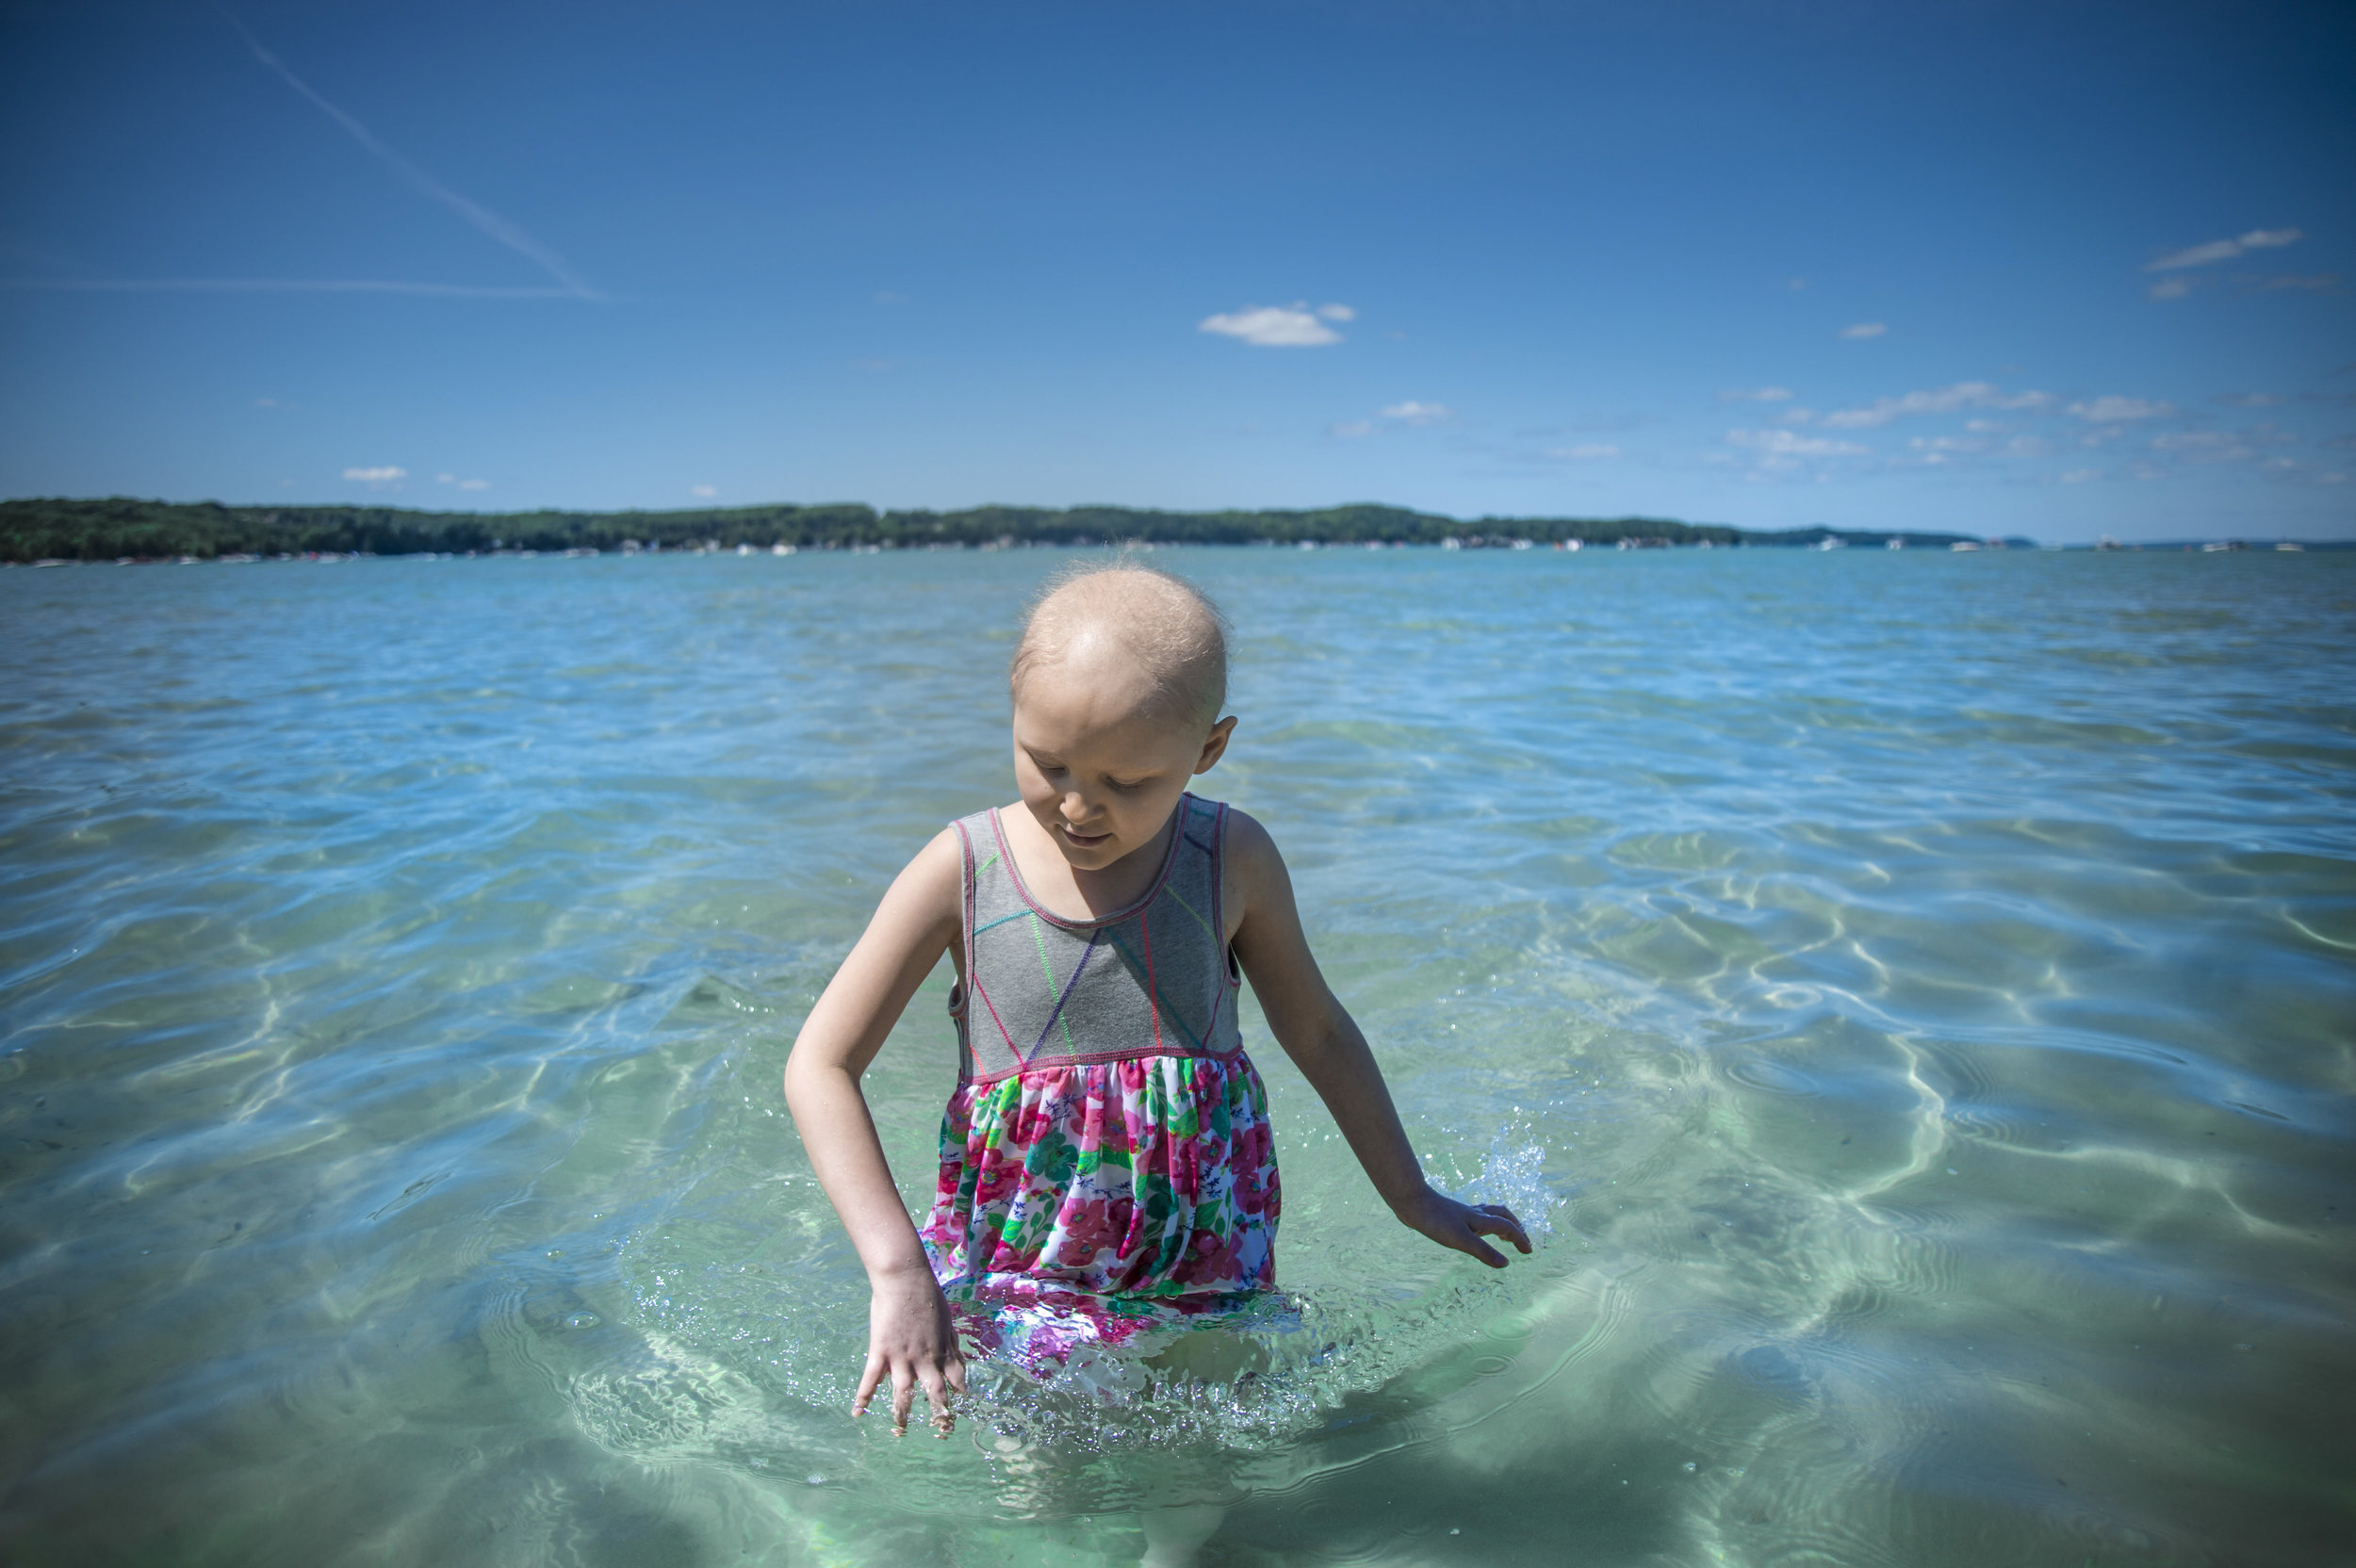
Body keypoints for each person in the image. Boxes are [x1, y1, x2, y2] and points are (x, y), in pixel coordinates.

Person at [782, 563, 1530, 1442]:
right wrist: (897, 1269)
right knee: (1049, 1468)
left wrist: (1411, 1194)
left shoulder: (1232, 858)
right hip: (1032, 1253)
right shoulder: (962, 869)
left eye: (1126, 782)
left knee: (1204, 1462)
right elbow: (820, 1065)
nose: (1076, 806)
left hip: (1212, 1242)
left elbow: (1318, 1031)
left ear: (1208, 750)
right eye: (1046, 761)